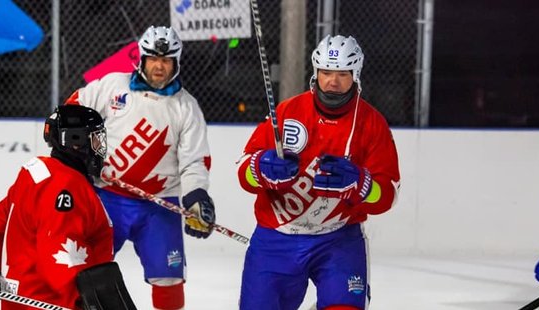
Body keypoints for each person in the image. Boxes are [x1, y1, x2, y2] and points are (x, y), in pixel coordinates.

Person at [236, 35, 401, 310]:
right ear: (316, 72)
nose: (332, 81)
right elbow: (243, 172)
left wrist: (361, 184)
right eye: (326, 72)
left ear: (355, 74)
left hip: (338, 239)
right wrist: (261, 168)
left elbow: (388, 195)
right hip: (276, 236)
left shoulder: (372, 123)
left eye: (342, 73)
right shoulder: (288, 111)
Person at [64, 25, 215, 310]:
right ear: (142, 59)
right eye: (154, 59)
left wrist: (197, 195)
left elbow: (195, 161)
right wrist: (77, 149)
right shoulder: (113, 86)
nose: (159, 66)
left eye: (167, 60)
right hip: (107, 197)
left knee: (168, 279)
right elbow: (74, 109)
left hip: (159, 205)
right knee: (85, 268)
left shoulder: (187, 107)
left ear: (176, 62)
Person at [0, 105, 136, 310]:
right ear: (76, 142)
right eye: (95, 139)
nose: (100, 146)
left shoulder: (36, 173)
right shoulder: (66, 187)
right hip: (53, 303)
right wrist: (85, 302)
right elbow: (58, 250)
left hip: (21, 302)